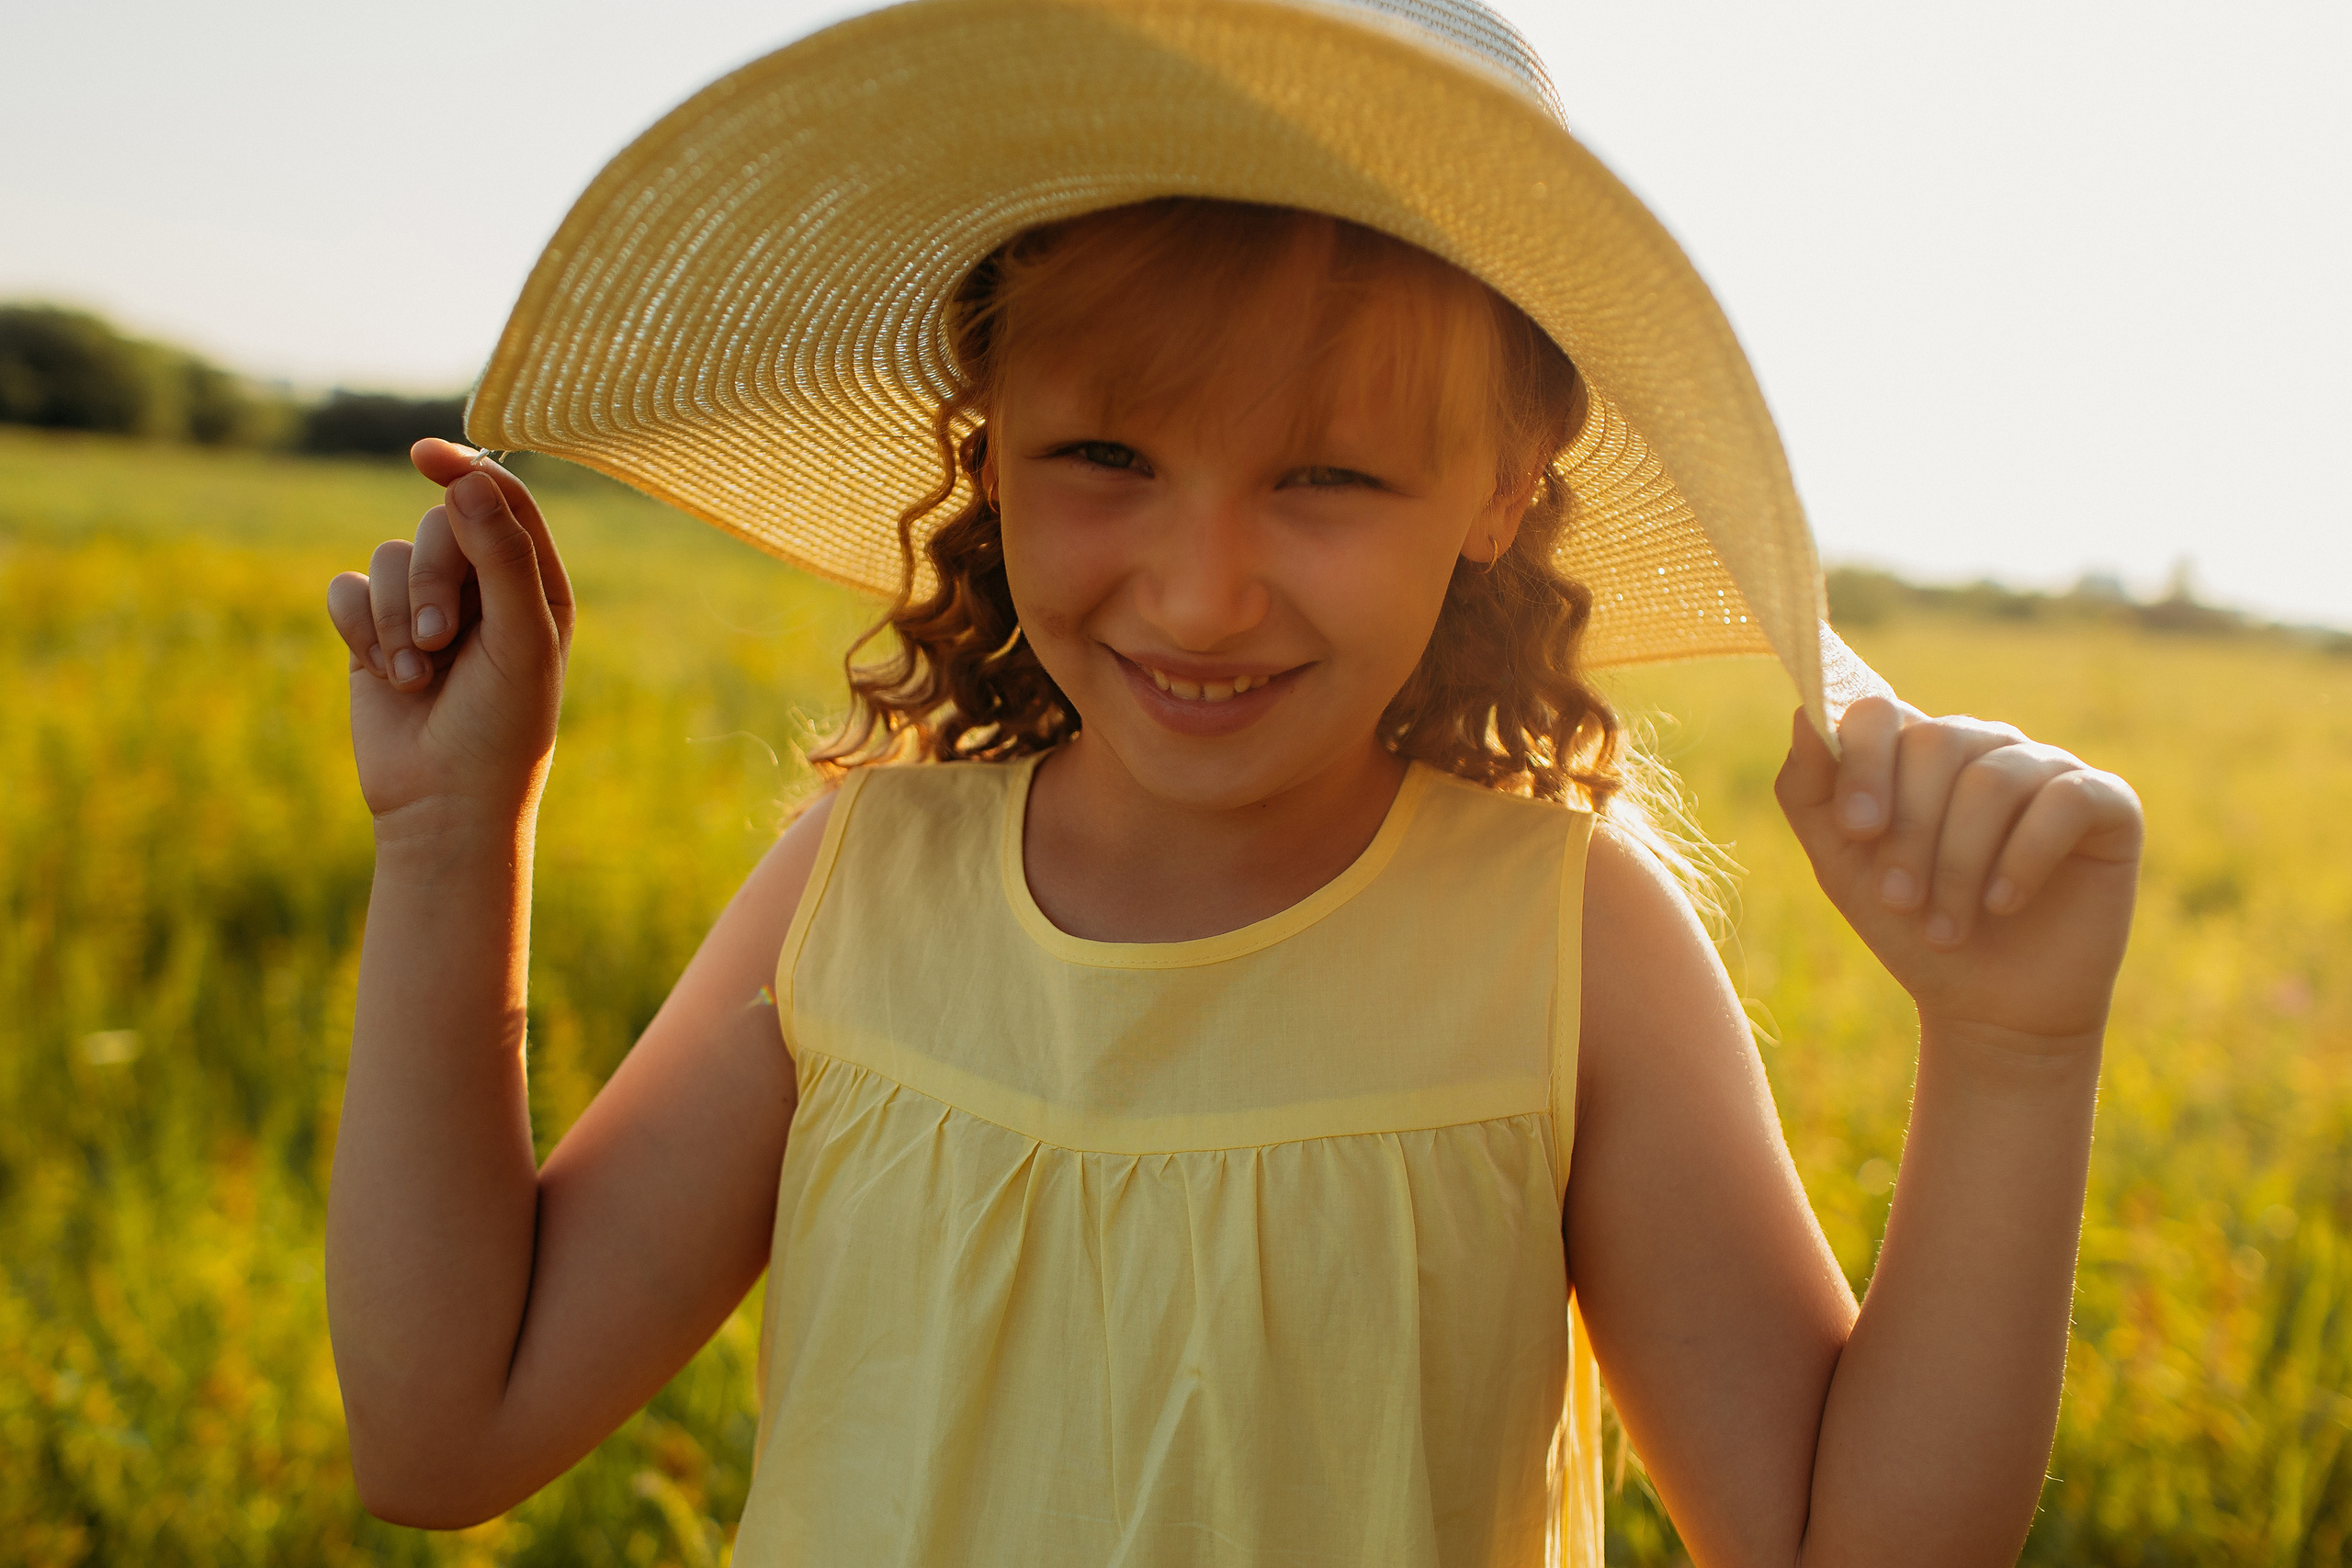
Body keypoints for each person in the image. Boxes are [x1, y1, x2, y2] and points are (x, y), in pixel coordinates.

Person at [320, 4, 2143, 1564]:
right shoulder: (866, 884)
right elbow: (443, 1432)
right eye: (1105, 453)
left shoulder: (1560, 943)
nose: (1197, 592)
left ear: (1503, 485)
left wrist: (2010, 1052)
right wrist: (449, 831)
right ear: (984, 429)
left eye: (1327, 478)